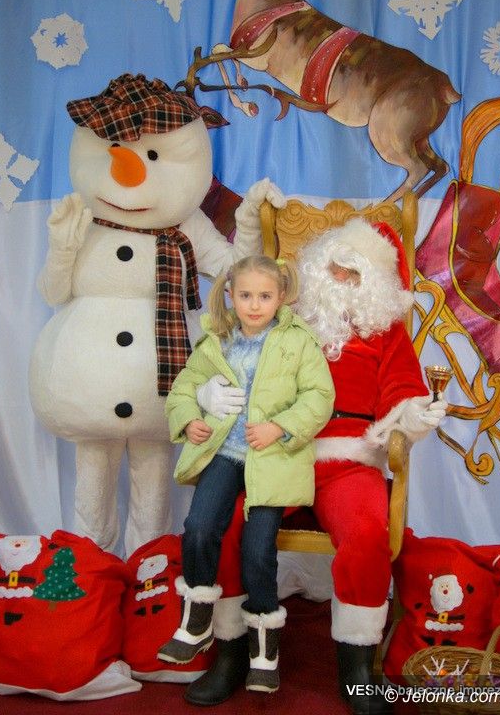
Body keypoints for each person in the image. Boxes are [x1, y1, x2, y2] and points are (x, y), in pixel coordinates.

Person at [187, 219, 447, 714]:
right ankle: (230, 651)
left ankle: (356, 666)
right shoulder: (282, 317)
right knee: (225, 520)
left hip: (348, 458)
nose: (342, 279)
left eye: (356, 272)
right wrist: (206, 390)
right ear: (315, 268)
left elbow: (401, 389)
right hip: (276, 451)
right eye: (335, 267)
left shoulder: (386, 331)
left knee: (366, 530)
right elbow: (231, 352)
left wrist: (413, 414)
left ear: (375, 282)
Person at [157, 255, 335, 694]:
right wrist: (191, 416)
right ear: (230, 296)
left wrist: (280, 426)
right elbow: (182, 388)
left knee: (257, 550)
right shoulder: (216, 342)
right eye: (246, 296)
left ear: (281, 296)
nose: (255, 305)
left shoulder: (298, 341)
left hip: (271, 458)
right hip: (225, 453)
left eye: (265, 296)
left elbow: (319, 396)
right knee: (199, 527)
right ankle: (197, 619)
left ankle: (263, 650)